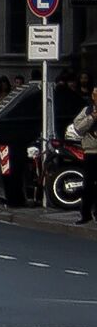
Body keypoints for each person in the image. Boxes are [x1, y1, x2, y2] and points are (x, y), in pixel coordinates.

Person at [73, 87, 97, 225]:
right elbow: (78, 128)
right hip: (90, 152)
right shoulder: (87, 111)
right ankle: (85, 213)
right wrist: (92, 117)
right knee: (88, 184)